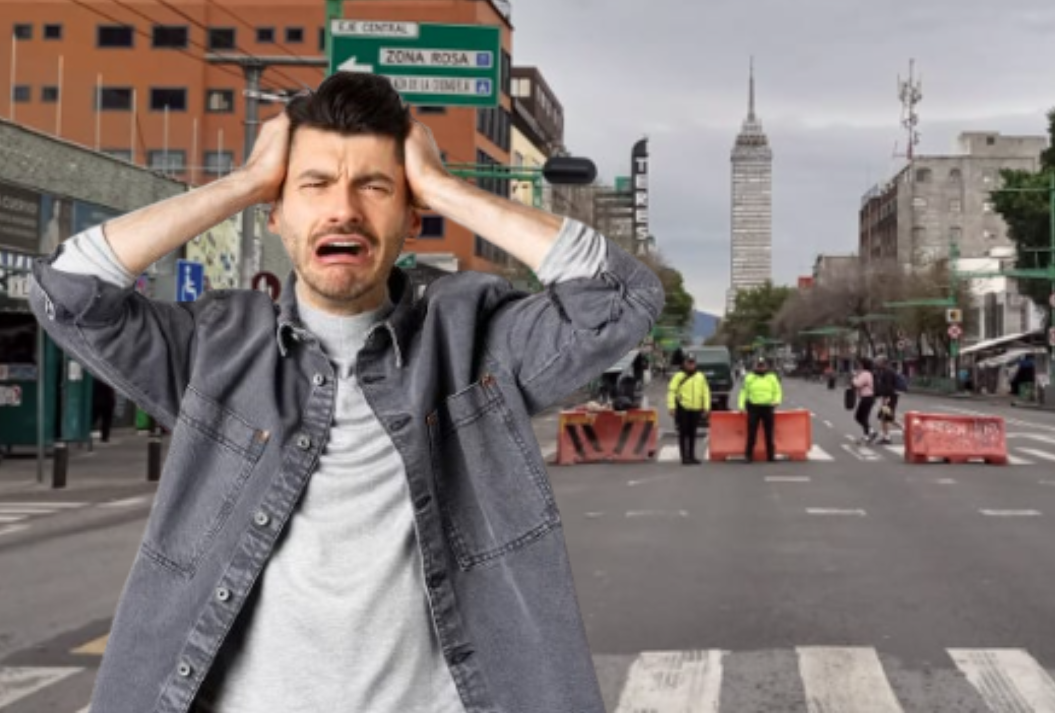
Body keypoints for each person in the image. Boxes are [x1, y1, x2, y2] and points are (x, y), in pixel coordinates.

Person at [29, 72, 664, 713]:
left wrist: (444, 186)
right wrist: (244, 182)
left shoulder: (473, 338)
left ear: (412, 215)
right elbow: (69, 293)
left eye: (374, 186)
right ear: (276, 214)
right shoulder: (215, 347)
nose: (344, 210)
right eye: (314, 184)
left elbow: (620, 300)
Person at [668, 353, 710, 465]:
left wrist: (706, 407)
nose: (691, 365)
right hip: (683, 408)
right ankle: (684, 457)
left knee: (692, 433)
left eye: (692, 362)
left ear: (695, 363)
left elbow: (705, 392)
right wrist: (672, 406)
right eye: (688, 362)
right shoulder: (678, 376)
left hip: (696, 408)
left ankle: (692, 456)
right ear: (684, 363)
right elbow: (672, 391)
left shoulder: (700, 376)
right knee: (683, 433)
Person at [739, 356, 782, 462]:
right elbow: (744, 392)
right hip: (754, 407)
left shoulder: (772, 377)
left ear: (766, 366)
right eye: (759, 366)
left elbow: (778, 391)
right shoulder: (749, 377)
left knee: (769, 433)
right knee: (752, 432)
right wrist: (741, 406)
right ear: (755, 366)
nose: (761, 368)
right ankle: (748, 455)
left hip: (768, 407)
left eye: (762, 366)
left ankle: (771, 456)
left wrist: (777, 401)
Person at [873, 356, 900, 445]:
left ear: (883, 362)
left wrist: (886, 397)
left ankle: (888, 437)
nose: (876, 363)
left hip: (889, 397)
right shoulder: (885, 371)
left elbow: (888, 386)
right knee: (885, 417)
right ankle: (886, 437)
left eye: (878, 361)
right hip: (889, 397)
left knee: (886, 417)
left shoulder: (887, 372)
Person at [852, 357, 877, 444]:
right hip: (868, 397)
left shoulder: (865, 374)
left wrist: (854, 377)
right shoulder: (867, 373)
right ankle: (869, 433)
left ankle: (868, 434)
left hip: (867, 397)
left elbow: (857, 384)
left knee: (860, 417)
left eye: (860, 363)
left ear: (863, 365)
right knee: (862, 417)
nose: (858, 365)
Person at [91, 378, 116, 443]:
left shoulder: (95, 379)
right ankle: (104, 437)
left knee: (93, 419)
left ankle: (85, 433)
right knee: (106, 421)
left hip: (97, 402)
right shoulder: (110, 380)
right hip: (108, 402)